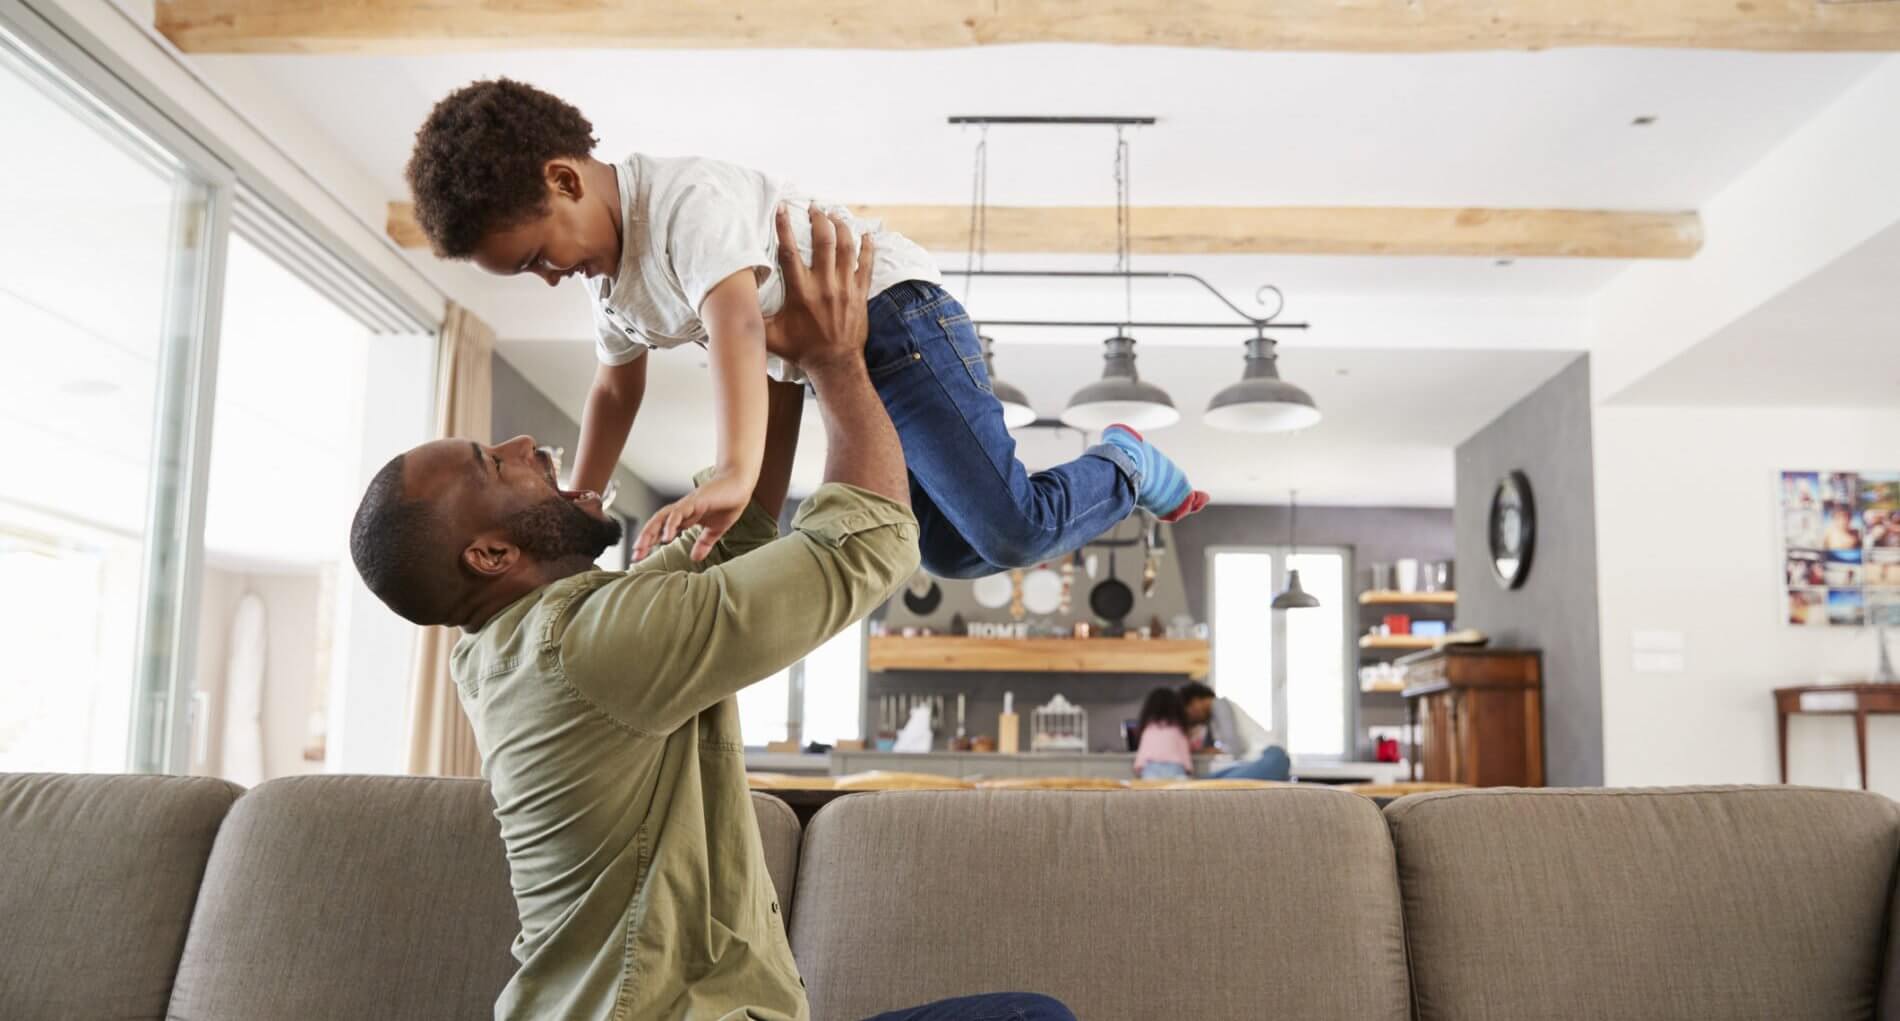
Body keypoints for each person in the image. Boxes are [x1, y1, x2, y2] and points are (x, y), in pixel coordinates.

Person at [349, 208, 1073, 1021]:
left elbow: (735, 543)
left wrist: (770, 338)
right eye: (493, 463)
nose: (522, 442)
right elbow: (863, 547)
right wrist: (835, 362)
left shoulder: (527, 644)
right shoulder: (582, 649)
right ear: (487, 556)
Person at [401, 78, 1207, 580]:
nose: (548, 278)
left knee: (1012, 528)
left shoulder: (685, 204)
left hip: (899, 318)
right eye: (528, 274)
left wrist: (732, 472)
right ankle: (1110, 477)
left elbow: (741, 330)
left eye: (539, 256)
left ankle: (1126, 462)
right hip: (836, 360)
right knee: (951, 552)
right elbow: (617, 385)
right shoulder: (612, 288)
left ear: (565, 179)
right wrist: (583, 493)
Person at [1179, 682, 1292, 783]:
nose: (1190, 717)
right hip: (1252, 762)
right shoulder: (1211, 721)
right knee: (1201, 782)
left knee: (1215, 786)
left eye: (1187, 710)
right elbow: (1207, 748)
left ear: (1195, 701)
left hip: (1272, 756)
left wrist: (1213, 750)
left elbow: (1235, 747)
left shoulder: (1219, 704)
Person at [1132, 687, 1195, 781]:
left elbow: (1143, 752)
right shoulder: (1178, 729)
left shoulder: (1149, 729)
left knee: (1150, 794)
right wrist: (1189, 768)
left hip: (1151, 769)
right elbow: (1183, 751)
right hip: (1175, 769)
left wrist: (1138, 766)